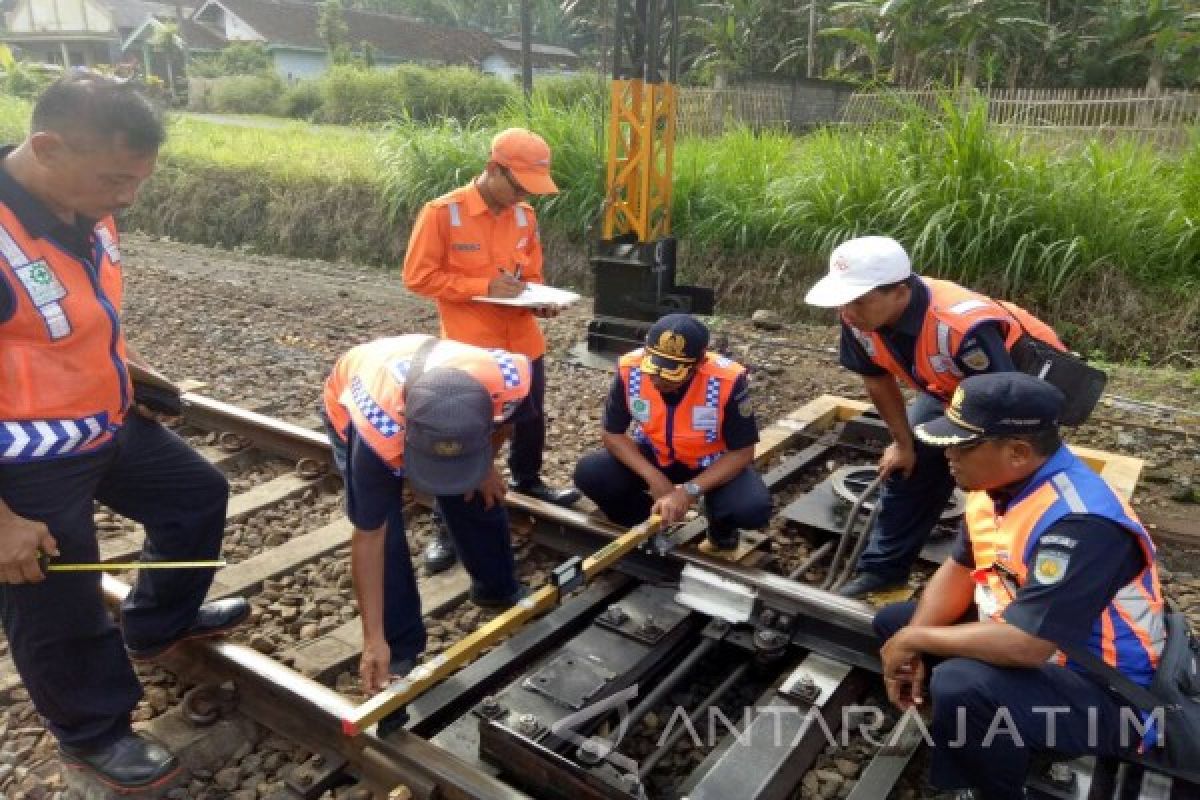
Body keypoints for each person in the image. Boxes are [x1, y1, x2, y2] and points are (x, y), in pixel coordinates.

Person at [0, 76, 247, 790]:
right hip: (25, 462)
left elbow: (87, 317)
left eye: (137, 180)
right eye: (116, 179)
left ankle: (156, 625)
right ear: (46, 148)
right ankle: (92, 735)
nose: (127, 198)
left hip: (104, 422)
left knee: (197, 495)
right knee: (57, 603)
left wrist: (136, 376)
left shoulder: (87, 206)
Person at [874, 372, 1164, 800]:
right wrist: (912, 640)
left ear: (1018, 451)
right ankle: (981, 739)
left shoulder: (1081, 522)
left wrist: (916, 638)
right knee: (895, 622)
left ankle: (993, 788)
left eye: (962, 445)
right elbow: (958, 569)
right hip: (1046, 648)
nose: (947, 455)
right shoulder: (993, 486)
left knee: (960, 683)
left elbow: (1028, 645)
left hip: (1110, 695)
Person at [804, 235, 1065, 598]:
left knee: (1004, 483)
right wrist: (903, 444)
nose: (847, 312)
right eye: (842, 302)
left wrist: (972, 462)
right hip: (949, 386)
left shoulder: (960, 327)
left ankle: (1007, 580)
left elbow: (1004, 407)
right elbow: (878, 381)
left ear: (900, 291)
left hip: (1018, 389)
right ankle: (884, 572)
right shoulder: (856, 320)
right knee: (909, 468)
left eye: (859, 301)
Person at [320, 334, 533, 730]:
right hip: (355, 400)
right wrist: (372, 640)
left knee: (477, 494)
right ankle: (398, 650)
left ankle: (496, 587)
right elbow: (370, 538)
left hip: (438, 397)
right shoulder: (377, 435)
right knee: (391, 539)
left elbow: (513, 421)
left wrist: (484, 464)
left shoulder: (511, 380)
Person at [402, 127, 581, 575]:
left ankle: (528, 481)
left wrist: (540, 301)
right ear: (493, 169)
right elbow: (418, 278)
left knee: (530, 417)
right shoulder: (443, 213)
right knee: (463, 436)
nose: (524, 196)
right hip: (470, 350)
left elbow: (531, 273)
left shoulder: (525, 216)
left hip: (522, 343)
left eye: (530, 189)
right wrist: (482, 287)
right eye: (518, 185)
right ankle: (447, 524)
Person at [573, 314, 771, 551]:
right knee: (591, 472)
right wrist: (653, 477)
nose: (657, 380)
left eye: (670, 374)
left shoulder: (726, 381)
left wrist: (689, 492)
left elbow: (742, 452)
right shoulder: (630, 369)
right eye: (653, 370)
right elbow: (612, 433)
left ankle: (720, 526)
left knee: (752, 508)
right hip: (655, 453)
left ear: (697, 364)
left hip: (709, 461)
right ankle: (645, 523)